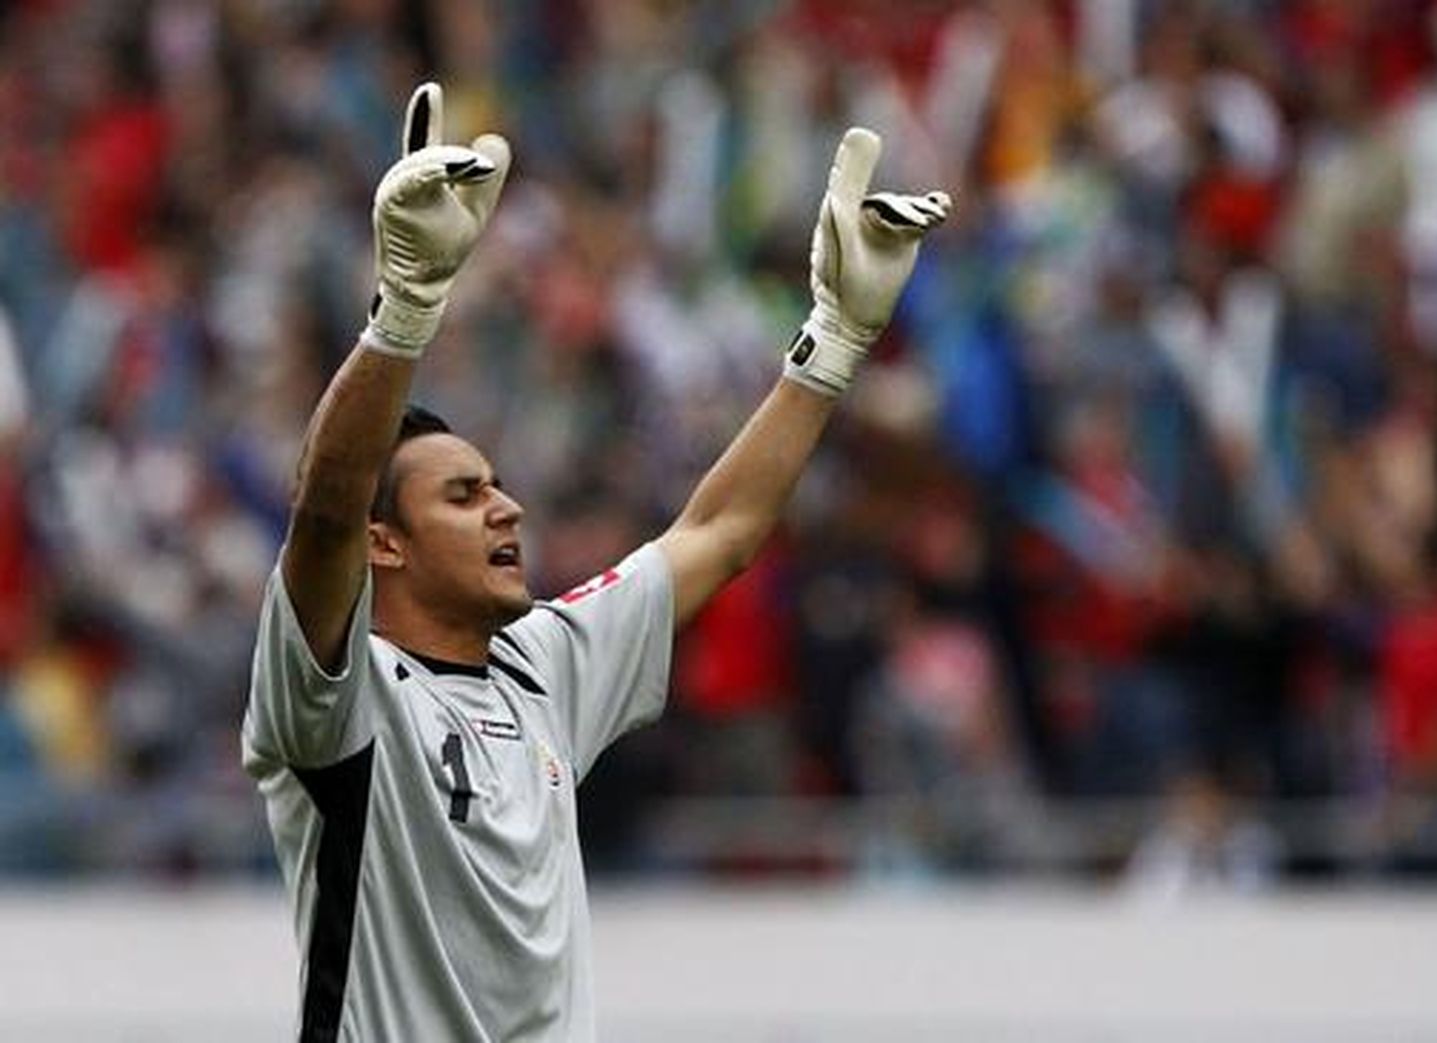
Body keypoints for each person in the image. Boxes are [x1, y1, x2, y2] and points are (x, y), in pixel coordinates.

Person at [240, 82, 948, 1042]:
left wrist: (833, 343)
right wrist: (405, 310)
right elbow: (323, 511)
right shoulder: (337, 698)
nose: (507, 505)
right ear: (384, 543)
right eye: (462, 495)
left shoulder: (546, 663)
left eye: (493, 483)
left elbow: (719, 531)